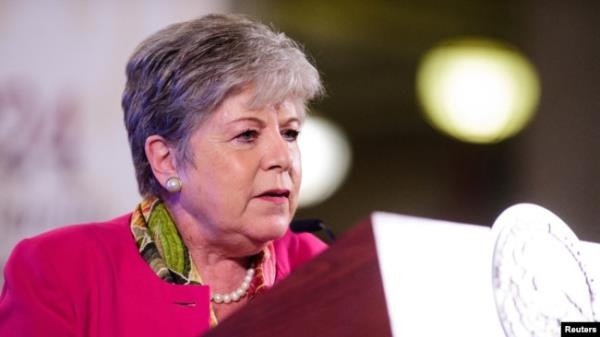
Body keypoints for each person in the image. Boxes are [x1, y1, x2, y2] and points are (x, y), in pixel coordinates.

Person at [0, 13, 326, 337]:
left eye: (290, 133)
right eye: (247, 135)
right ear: (166, 159)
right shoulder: (61, 271)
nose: (283, 158)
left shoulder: (324, 268)